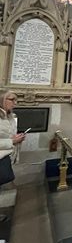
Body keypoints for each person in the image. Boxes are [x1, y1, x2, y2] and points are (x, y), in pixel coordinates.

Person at [0, 90, 25, 219]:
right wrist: (12, 141)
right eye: (12, 100)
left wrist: (15, 138)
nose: (15, 103)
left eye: (16, 100)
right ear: (2, 99)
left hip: (5, 156)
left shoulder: (10, 116)